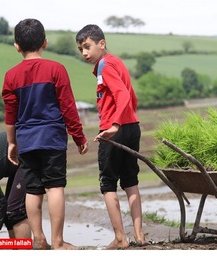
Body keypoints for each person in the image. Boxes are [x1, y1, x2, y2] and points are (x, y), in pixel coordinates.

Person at [2, 18, 88, 250]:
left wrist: (12, 142)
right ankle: (58, 242)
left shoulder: (10, 76)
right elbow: (68, 108)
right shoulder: (56, 69)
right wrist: (79, 137)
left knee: (33, 189)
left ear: (17, 46)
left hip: (27, 141)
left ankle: (39, 239)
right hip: (52, 139)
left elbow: (10, 115)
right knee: (55, 187)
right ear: (45, 43)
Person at [76, 24, 145, 249]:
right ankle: (139, 235)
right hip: (132, 125)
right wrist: (127, 120)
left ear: (101, 44)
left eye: (87, 47)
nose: (84, 53)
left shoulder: (105, 66)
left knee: (108, 184)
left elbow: (122, 94)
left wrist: (115, 123)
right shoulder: (116, 63)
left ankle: (120, 239)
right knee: (131, 181)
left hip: (113, 129)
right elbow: (131, 97)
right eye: (80, 49)